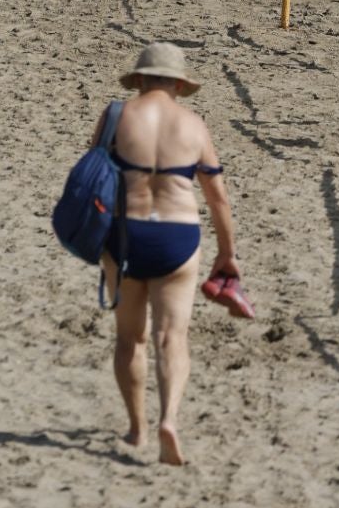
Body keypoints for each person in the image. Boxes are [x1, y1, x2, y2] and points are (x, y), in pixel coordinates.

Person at [93, 42, 245, 463]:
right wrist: (227, 254)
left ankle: (137, 430)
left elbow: (94, 173)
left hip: (125, 236)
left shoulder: (116, 116)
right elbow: (217, 198)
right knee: (171, 337)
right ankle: (169, 421)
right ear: (179, 83)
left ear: (139, 79)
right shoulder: (194, 126)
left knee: (131, 338)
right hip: (177, 238)